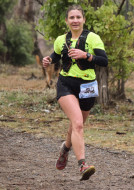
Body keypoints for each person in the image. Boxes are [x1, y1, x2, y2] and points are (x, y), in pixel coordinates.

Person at [43, 4, 108, 181]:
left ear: (84, 19)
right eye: (71, 17)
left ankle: (65, 148)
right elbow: (54, 57)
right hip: (66, 85)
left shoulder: (93, 38)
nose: (75, 20)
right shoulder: (60, 40)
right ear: (67, 21)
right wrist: (47, 60)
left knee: (76, 124)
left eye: (78, 17)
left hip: (88, 86)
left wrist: (86, 55)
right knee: (78, 123)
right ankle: (82, 165)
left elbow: (104, 61)